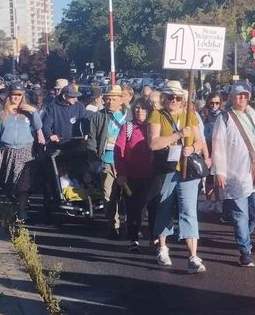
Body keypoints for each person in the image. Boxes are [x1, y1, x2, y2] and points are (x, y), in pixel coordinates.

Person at [148, 80, 208, 273]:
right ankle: (163, 248)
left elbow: (200, 142)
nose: (174, 100)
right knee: (165, 206)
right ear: (164, 98)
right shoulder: (157, 115)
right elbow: (153, 143)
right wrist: (178, 135)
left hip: (187, 170)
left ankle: (193, 256)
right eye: (170, 97)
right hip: (166, 168)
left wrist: (192, 148)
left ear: (183, 100)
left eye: (178, 97)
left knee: (188, 210)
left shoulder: (190, 116)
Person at [212, 83, 255, 267]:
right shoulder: (225, 118)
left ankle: (244, 233)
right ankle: (245, 251)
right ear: (231, 98)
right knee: (240, 214)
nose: (242, 98)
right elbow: (218, 145)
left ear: (249, 97)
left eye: (245, 95)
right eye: (238, 95)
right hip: (236, 172)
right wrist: (219, 171)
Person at [0, 83, 43, 222]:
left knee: (23, 184)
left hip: (25, 150)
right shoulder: (1, 110)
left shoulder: (27, 109)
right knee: (9, 183)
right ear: (9, 95)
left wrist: (34, 111)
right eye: (14, 94)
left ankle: (22, 211)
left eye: (19, 95)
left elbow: (38, 126)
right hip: (7, 150)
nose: (16, 97)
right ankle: (12, 208)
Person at [114, 99, 157, 253]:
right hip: (131, 176)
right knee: (133, 209)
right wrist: (121, 174)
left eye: (143, 108)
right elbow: (119, 151)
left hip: (151, 175)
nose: (139, 111)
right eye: (137, 108)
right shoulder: (128, 127)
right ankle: (134, 239)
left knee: (153, 207)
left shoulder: (153, 127)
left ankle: (154, 237)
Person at [86, 85, 129, 238]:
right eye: (107, 99)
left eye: (113, 99)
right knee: (108, 195)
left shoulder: (128, 116)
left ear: (121, 100)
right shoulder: (98, 116)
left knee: (128, 196)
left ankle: (129, 224)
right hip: (107, 160)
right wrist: (95, 159)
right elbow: (91, 139)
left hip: (126, 162)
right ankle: (113, 224)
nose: (110, 102)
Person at [200, 92, 225, 213]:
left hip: (220, 149)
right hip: (208, 148)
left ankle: (218, 201)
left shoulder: (224, 115)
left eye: (217, 103)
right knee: (209, 176)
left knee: (219, 176)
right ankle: (208, 200)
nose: (214, 105)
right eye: (211, 103)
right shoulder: (203, 115)